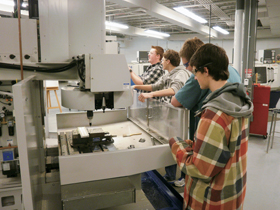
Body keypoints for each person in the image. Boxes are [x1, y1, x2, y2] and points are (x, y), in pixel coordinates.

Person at [169, 43, 253, 210]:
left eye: (195, 73)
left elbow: (200, 169)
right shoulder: (238, 101)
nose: (194, 77)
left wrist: (176, 145)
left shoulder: (213, 114)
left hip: (210, 201)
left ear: (205, 71)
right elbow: (225, 149)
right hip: (232, 193)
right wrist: (197, 146)